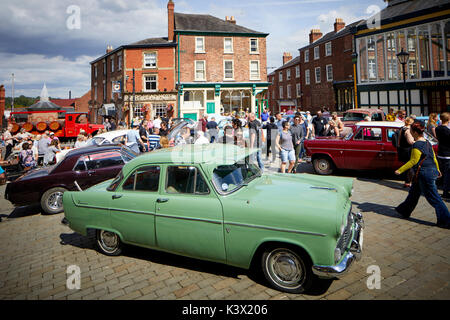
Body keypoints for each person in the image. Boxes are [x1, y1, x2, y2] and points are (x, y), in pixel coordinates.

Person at [395, 122, 450, 229]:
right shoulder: (427, 142)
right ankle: (404, 210)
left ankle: (446, 220)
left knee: (434, 198)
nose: (410, 132)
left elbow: (413, 161)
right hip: (428, 171)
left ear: (414, 132)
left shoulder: (417, 145)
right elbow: (433, 157)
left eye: (411, 130)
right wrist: (437, 169)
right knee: (414, 193)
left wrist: (400, 170)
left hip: (424, 174)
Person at [397, 117, 415, 188]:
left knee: (405, 166)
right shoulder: (408, 130)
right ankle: (408, 182)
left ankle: (407, 181)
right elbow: (410, 142)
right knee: (409, 166)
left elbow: (399, 140)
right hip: (408, 149)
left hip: (402, 149)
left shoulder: (402, 128)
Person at [436, 112, 450, 199]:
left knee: (444, 173)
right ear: (448, 119)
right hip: (447, 154)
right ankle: (445, 192)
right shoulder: (447, 131)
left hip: (441, 152)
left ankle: (444, 189)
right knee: (448, 174)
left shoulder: (438, 128)